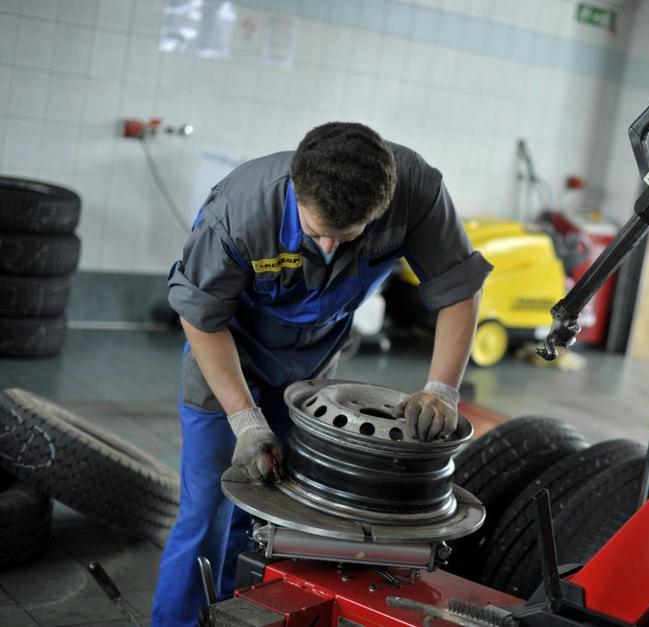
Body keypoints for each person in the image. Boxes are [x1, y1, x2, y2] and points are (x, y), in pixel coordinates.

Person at [151, 122, 492, 625]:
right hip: (225, 357)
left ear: (381, 206)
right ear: (295, 187)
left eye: (347, 237)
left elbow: (459, 287)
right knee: (208, 509)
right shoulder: (240, 212)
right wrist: (245, 420)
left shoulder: (416, 190)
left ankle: (239, 615)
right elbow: (201, 319)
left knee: (276, 506)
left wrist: (442, 390)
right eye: (315, 233)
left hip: (311, 369)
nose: (329, 248)